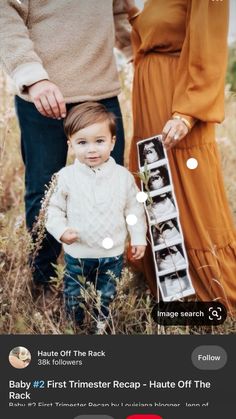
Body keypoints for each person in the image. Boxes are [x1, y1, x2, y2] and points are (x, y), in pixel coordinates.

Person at [0, 0, 132, 293]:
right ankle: (43, 281)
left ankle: (102, 284)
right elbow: (5, 12)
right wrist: (33, 77)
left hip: (101, 92)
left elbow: (121, 14)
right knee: (46, 190)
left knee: (110, 189)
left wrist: (138, 55)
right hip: (42, 93)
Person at [125, 0, 236, 313]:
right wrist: (133, 14)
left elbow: (209, 43)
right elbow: (157, 36)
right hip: (150, 99)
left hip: (177, 100)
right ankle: (166, 287)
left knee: (189, 190)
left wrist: (186, 113)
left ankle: (210, 288)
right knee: (156, 187)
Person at [45, 102, 147, 332]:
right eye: (82, 143)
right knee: (74, 293)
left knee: (107, 294)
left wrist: (138, 236)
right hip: (78, 253)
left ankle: (102, 326)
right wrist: (61, 230)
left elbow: (133, 210)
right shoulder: (66, 177)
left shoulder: (122, 177)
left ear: (112, 142)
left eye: (99, 141)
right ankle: (76, 326)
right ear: (70, 145)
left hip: (112, 255)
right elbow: (54, 210)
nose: (91, 149)